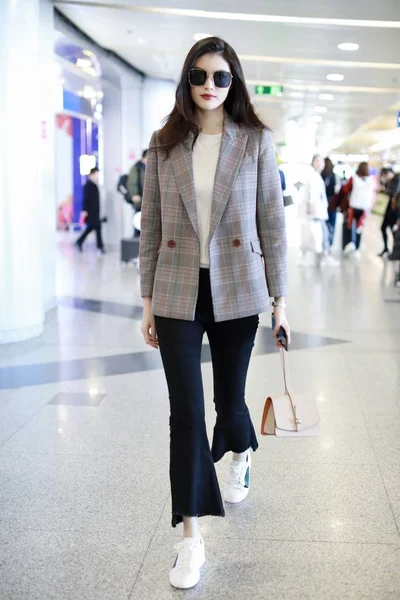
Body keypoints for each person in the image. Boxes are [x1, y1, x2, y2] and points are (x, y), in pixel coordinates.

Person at [139, 36, 290, 590]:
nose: (209, 86)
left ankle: (241, 451)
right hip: (178, 290)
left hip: (239, 288)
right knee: (186, 414)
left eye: (220, 77)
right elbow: (151, 227)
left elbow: (271, 223)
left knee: (228, 400)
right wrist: (148, 303)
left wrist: (281, 302)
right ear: (186, 81)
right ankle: (190, 539)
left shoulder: (253, 142)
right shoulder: (164, 144)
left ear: (234, 83)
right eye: (199, 76)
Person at [301, 154, 339, 266]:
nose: (320, 163)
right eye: (317, 161)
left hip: (319, 211)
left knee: (321, 234)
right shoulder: (313, 176)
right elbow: (311, 194)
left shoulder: (317, 176)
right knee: (322, 234)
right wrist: (310, 208)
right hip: (316, 211)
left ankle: (322, 255)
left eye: (321, 161)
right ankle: (324, 256)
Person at [340, 162, 374, 259]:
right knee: (359, 228)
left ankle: (347, 245)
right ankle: (357, 248)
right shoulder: (371, 180)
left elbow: (345, 189)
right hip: (364, 208)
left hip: (353, 206)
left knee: (349, 226)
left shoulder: (354, 178)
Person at [76, 167, 104, 253]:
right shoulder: (88, 185)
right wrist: (85, 210)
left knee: (93, 228)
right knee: (96, 227)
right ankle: (100, 246)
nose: (97, 176)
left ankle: (80, 241)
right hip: (91, 211)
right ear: (92, 174)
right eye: (96, 174)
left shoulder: (94, 185)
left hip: (96, 211)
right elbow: (86, 199)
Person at [378, 171, 399, 257]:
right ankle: (387, 248)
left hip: (394, 209)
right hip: (391, 208)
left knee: (393, 230)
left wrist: (385, 190)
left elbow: (394, 193)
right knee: (386, 228)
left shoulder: (396, 180)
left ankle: (394, 251)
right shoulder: (394, 180)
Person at [321, 157, 340, 246]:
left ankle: (324, 240)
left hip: (323, 202)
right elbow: (337, 190)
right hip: (333, 202)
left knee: (323, 222)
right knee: (332, 223)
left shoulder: (321, 175)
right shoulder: (334, 176)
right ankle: (330, 241)